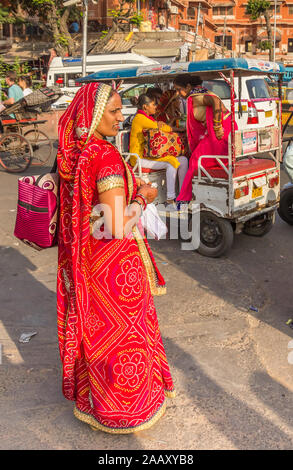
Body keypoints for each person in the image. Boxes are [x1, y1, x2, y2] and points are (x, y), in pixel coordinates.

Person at [57, 82, 175, 434]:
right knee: (125, 337)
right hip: (115, 266)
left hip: (87, 260)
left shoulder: (74, 153)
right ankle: (126, 412)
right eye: (113, 111)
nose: (120, 118)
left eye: (121, 111)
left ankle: (96, 405)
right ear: (93, 115)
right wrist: (144, 197)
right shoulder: (105, 156)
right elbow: (118, 223)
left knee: (97, 334)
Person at [173, 74, 235, 203]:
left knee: (195, 160)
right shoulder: (197, 92)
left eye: (179, 89)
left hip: (221, 130)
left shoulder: (195, 95)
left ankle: (185, 198)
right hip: (222, 129)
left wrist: (217, 126)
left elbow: (215, 101)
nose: (178, 93)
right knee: (204, 161)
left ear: (188, 86)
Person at [129, 93, 188, 205]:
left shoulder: (147, 118)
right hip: (139, 158)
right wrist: (163, 125)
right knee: (171, 163)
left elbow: (161, 126)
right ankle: (171, 198)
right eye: (153, 104)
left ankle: (182, 195)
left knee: (184, 160)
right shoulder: (139, 118)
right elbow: (164, 128)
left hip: (150, 155)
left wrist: (161, 124)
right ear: (145, 107)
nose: (155, 107)